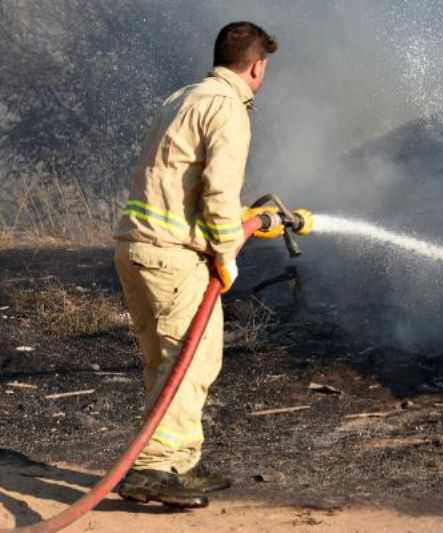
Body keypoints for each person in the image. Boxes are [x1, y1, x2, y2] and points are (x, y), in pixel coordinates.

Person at [112, 21, 277, 508]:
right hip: (171, 254)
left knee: (167, 360)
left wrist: (239, 224)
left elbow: (177, 178)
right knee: (191, 360)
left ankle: (177, 460)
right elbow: (219, 191)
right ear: (256, 66)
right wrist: (227, 253)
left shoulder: (184, 96)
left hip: (137, 246)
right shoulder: (229, 108)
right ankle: (152, 469)